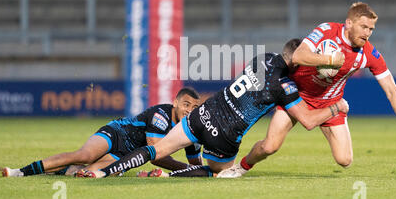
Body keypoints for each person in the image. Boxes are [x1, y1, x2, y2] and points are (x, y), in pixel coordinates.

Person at [75, 38, 350, 179]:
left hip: (204, 113)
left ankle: (102, 172)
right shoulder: (285, 86)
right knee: (218, 172)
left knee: (157, 150)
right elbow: (310, 121)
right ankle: (174, 175)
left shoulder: (263, 58)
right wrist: (336, 106)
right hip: (225, 135)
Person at [218, 2, 396, 178]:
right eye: (364, 27)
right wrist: (329, 60)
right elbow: (299, 56)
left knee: (345, 160)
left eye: (371, 29)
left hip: (329, 102)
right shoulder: (326, 31)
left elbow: (391, 88)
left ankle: (330, 117)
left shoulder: (368, 54)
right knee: (269, 147)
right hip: (296, 96)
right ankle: (241, 167)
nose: (367, 33)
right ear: (349, 23)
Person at [1, 87, 202, 177]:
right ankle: (21, 171)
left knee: (83, 173)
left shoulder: (191, 129)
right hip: (116, 133)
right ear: (175, 102)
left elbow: (195, 165)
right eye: (185, 104)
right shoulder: (161, 114)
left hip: (125, 155)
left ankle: (59, 170)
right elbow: (155, 156)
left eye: (193, 108)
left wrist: (201, 171)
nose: (188, 110)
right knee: (84, 155)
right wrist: (182, 167)